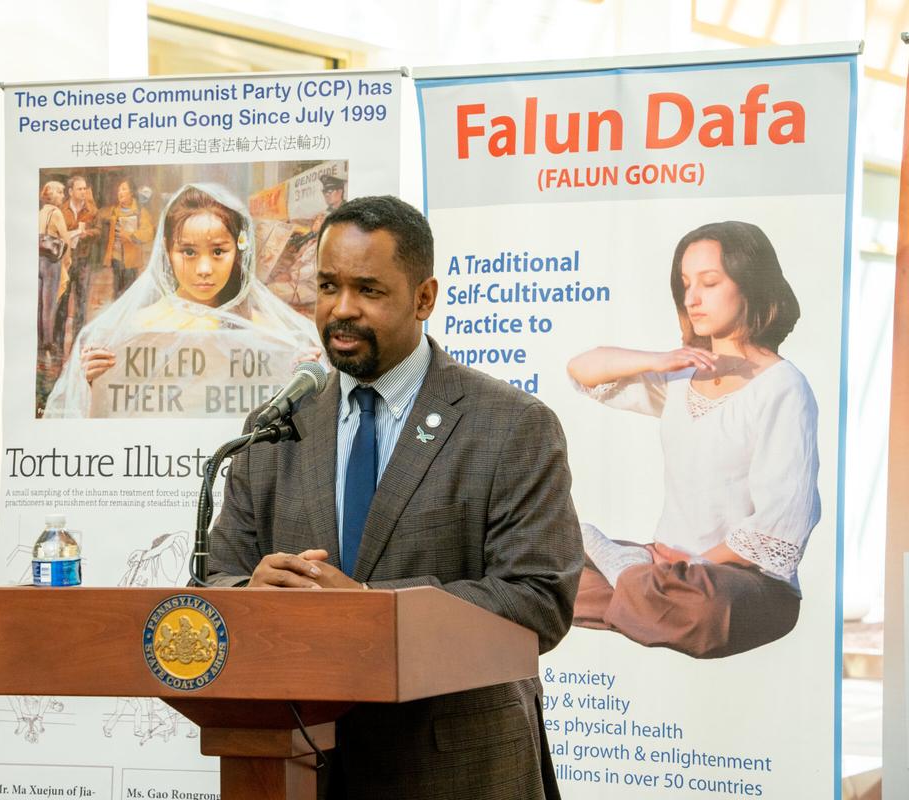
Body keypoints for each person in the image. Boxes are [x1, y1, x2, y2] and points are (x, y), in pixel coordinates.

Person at [207, 195, 582, 800]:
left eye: (369, 290)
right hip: (297, 767)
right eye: (327, 286)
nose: (341, 309)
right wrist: (252, 594)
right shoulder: (277, 425)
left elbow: (539, 599)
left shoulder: (511, 424)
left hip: (455, 771)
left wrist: (368, 609)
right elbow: (215, 578)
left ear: (424, 298)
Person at [567, 220, 820, 659]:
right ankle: (639, 584)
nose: (691, 299)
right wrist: (660, 359)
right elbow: (582, 369)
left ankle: (631, 578)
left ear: (750, 283)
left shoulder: (783, 386)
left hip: (741, 582)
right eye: (685, 284)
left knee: (703, 607)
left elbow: (781, 521)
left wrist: (689, 565)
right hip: (662, 566)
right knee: (552, 579)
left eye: (709, 282)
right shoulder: (682, 376)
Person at [43, 183, 320, 417]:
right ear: (167, 250)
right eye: (188, 252)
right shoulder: (130, 332)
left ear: (239, 250)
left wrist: (301, 380)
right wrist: (92, 383)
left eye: (218, 252)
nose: (204, 269)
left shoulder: (270, 334)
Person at [53, 175, 100, 355]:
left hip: (83, 260)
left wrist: (87, 234)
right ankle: (58, 344)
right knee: (62, 302)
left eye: (84, 189)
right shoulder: (61, 210)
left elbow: (98, 231)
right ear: (71, 191)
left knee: (81, 302)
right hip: (65, 261)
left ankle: (78, 343)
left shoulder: (92, 210)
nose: (83, 192)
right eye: (79, 189)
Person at [99, 176, 155, 301]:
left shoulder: (140, 211)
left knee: (130, 293)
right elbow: (99, 214)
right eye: (119, 190)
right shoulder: (114, 211)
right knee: (117, 293)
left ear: (131, 193)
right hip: (116, 257)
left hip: (131, 259)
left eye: (124, 189)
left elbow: (148, 233)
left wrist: (130, 236)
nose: (120, 192)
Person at [37, 180, 73, 357]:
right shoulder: (57, 213)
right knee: (49, 304)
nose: (63, 196)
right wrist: (67, 261)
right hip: (52, 262)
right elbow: (66, 240)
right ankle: (48, 342)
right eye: (60, 192)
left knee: (39, 303)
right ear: (51, 195)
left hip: (38, 259)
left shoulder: (41, 212)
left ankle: (39, 340)